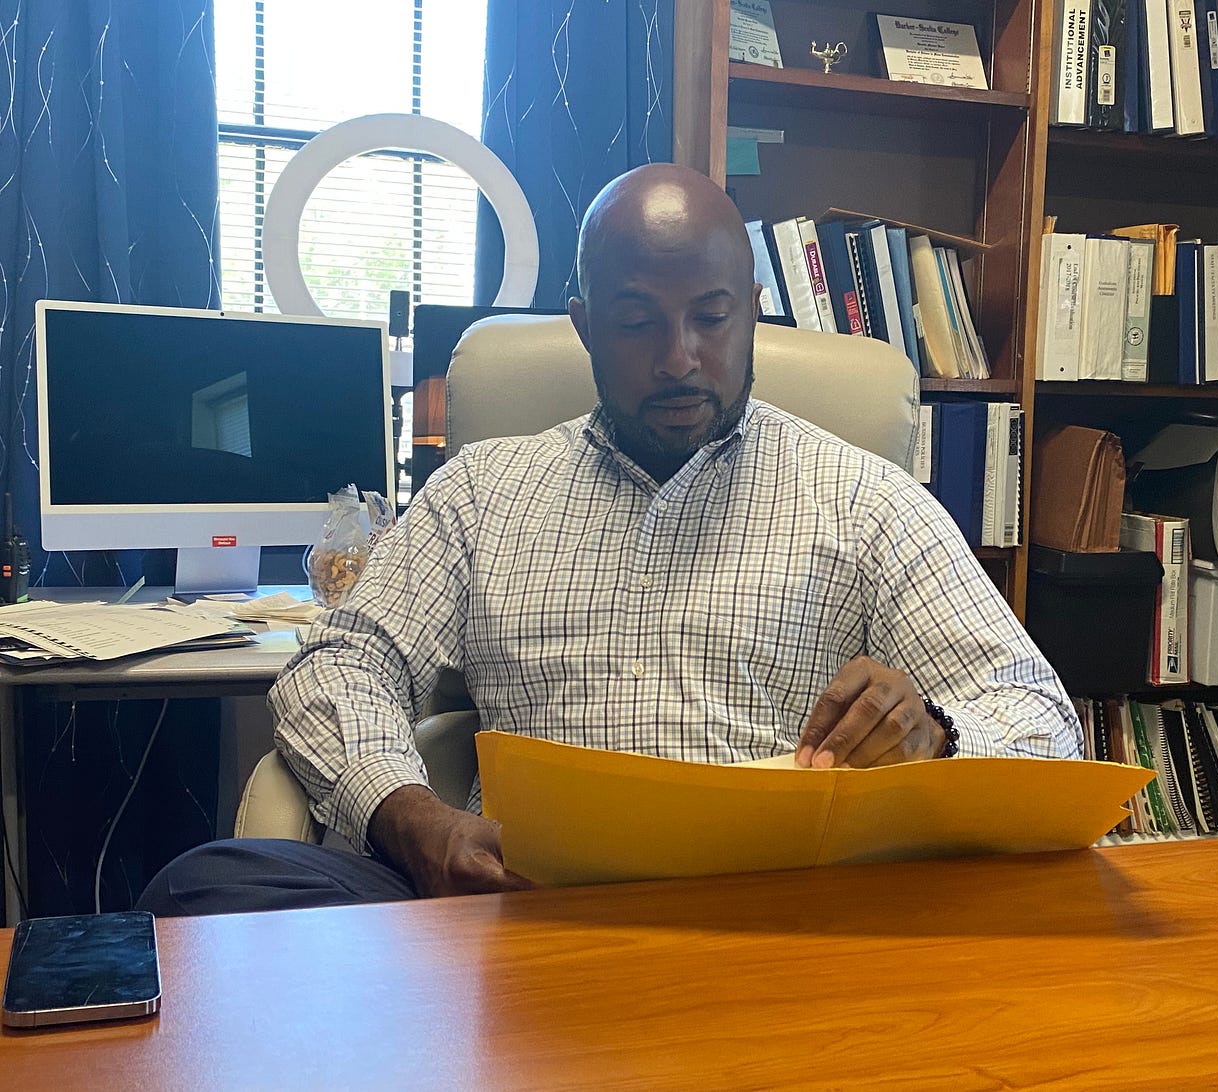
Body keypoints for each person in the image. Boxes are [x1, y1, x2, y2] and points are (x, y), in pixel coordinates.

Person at [137, 163, 1081, 916]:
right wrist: (414, 821)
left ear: (752, 309)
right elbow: (340, 666)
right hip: (520, 906)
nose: (680, 358)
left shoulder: (866, 500)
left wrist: (937, 733)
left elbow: (1040, 716)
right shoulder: (482, 493)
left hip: (777, 911)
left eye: (711, 317)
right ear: (585, 326)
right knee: (203, 888)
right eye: (637, 323)